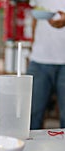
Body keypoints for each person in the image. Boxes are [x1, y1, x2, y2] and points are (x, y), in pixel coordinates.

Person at [27, 0, 65, 129]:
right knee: (31, 114)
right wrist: (33, 43)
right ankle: (31, 149)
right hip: (39, 59)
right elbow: (35, 17)